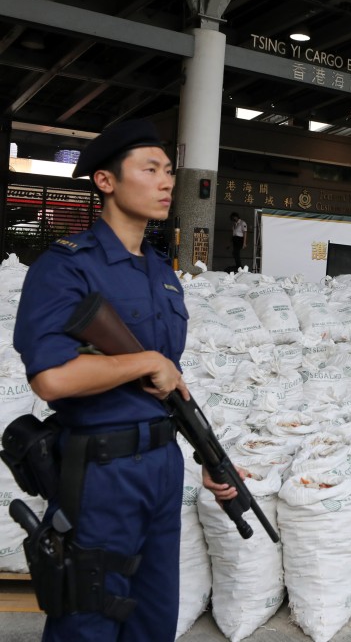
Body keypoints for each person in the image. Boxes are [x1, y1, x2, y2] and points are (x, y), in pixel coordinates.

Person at [12, 119, 237, 641]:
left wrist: (210, 458)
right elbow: (51, 379)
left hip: (162, 466)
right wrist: (145, 362)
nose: (166, 183)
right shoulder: (68, 266)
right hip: (102, 470)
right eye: (150, 170)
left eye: (169, 172)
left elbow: (167, 380)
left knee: (153, 617)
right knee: (89, 615)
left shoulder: (162, 273)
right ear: (106, 181)